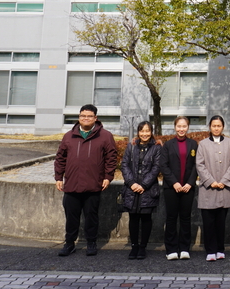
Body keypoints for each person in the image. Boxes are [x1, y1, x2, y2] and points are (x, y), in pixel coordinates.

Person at [54, 103, 117, 257]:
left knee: (91, 217)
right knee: (71, 217)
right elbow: (60, 158)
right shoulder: (69, 136)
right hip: (72, 185)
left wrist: (108, 177)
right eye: (83, 116)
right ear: (79, 117)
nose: (86, 118)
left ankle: (91, 243)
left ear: (95, 118)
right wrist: (58, 177)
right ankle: (69, 244)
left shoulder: (105, 136)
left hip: (93, 184)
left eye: (89, 116)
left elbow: (111, 158)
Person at [196, 115, 230, 262]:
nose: (216, 128)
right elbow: (199, 165)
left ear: (223, 127)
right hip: (208, 189)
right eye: (214, 126)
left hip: (224, 189)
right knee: (208, 222)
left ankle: (220, 249)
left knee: (221, 221)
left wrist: (225, 180)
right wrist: (211, 181)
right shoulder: (203, 144)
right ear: (210, 127)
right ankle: (210, 250)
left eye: (219, 126)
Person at [120, 121, 162, 260]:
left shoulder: (156, 148)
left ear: (151, 132)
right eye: (142, 131)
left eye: (147, 131)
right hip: (131, 189)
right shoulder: (131, 147)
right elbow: (124, 165)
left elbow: (156, 168)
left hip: (148, 189)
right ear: (138, 132)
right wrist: (131, 183)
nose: (145, 134)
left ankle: (143, 247)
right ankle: (134, 246)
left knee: (146, 218)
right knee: (133, 218)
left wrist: (143, 184)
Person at [161, 115, 198, 261]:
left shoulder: (194, 144)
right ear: (175, 127)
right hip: (171, 188)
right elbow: (163, 165)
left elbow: (196, 165)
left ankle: (184, 248)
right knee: (171, 218)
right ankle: (170, 249)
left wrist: (190, 183)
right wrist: (174, 183)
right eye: (179, 126)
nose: (181, 129)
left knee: (185, 218)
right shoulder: (168, 145)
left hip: (188, 187)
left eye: (184, 126)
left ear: (187, 127)